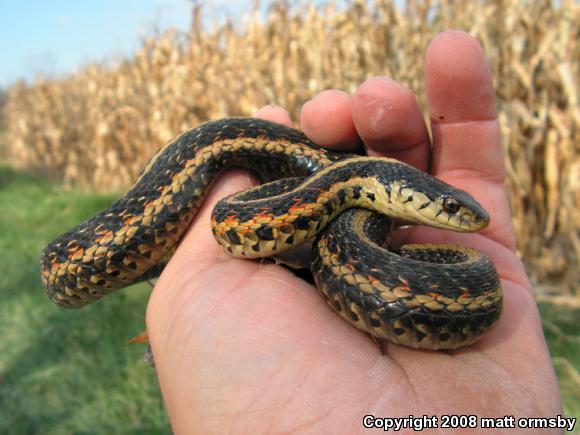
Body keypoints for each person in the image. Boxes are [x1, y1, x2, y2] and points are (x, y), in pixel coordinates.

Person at [146, 31, 562, 433]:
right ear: (394, 190)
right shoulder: (341, 188)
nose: (455, 216)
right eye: (448, 208)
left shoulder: (363, 202)